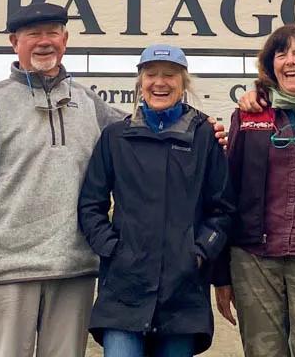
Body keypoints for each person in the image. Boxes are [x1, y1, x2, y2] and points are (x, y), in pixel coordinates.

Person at [0, 4, 227, 357]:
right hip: (8, 271)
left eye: (53, 33)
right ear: (14, 42)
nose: (45, 42)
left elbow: (150, 130)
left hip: (75, 271)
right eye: (34, 34)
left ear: (65, 40)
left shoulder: (87, 101)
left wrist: (208, 129)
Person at [78, 45, 234, 357]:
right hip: (124, 290)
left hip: (183, 292)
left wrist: (200, 252)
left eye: (169, 75)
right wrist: (112, 248)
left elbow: (223, 210)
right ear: (140, 81)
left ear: (183, 82)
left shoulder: (205, 136)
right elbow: (90, 204)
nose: (159, 82)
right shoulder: (115, 137)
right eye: (151, 74)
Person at [213, 24, 295, 357]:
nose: (290, 61)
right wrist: (220, 274)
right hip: (253, 258)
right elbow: (225, 194)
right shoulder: (246, 115)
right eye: (281, 54)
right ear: (270, 66)